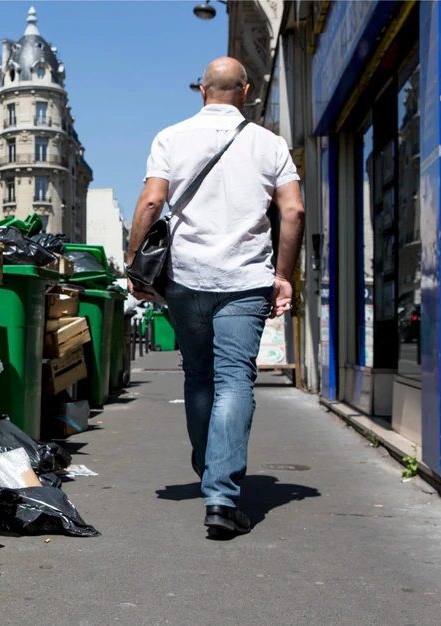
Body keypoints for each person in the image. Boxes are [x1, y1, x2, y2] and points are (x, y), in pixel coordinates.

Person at [126, 57, 305, 536]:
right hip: (245, 279)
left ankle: (210, 466)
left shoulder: (171, 137)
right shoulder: (270, 144)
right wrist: (283, 275)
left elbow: (150, 202)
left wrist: (133, 264)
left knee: (200, 377)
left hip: (186, 278)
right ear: (245, 91)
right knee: (234, 380)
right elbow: (293, 210)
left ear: (201, 91)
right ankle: (222, 497)